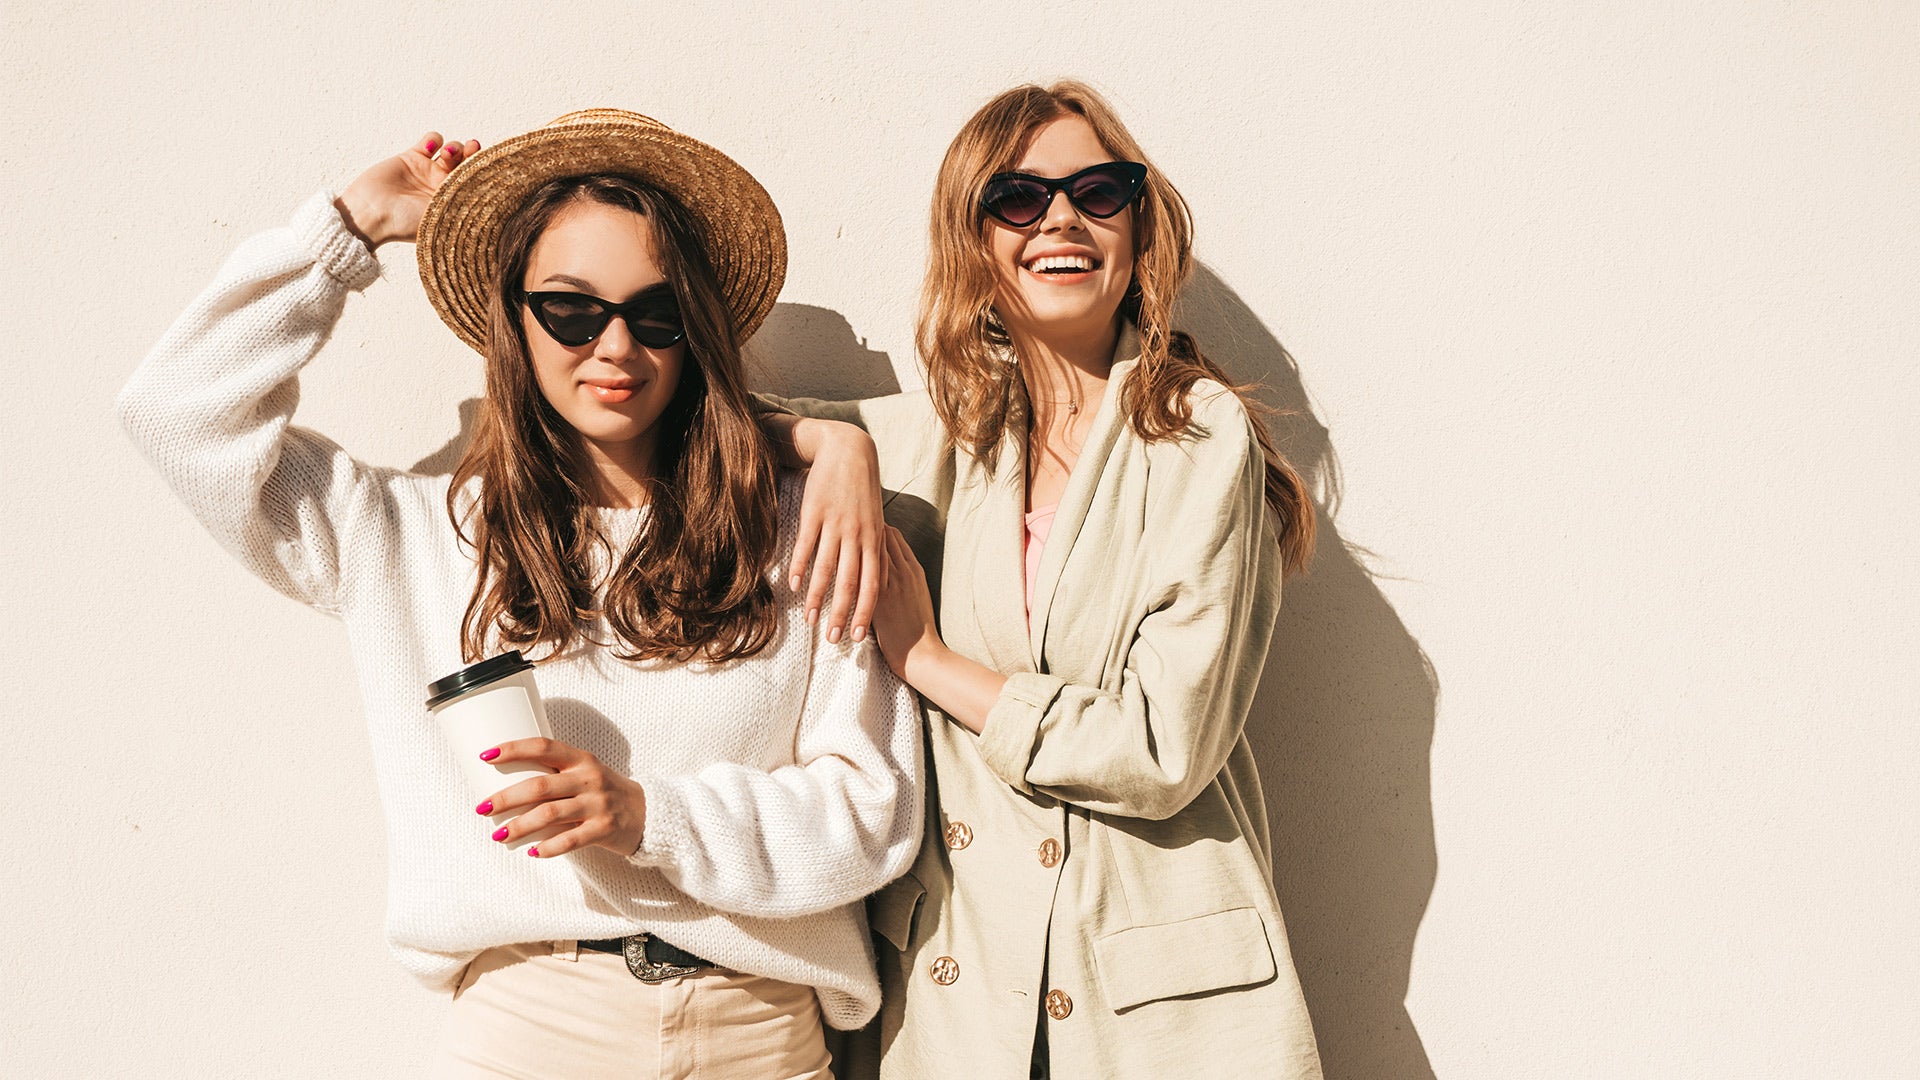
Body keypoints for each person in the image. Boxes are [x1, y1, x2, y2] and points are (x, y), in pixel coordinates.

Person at [117, 109, 921, 1079]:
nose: (615, 347)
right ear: (516, 319)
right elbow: (177, 415)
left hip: (763, 1040)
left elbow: (873, 810)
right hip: (535, 1035)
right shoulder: (407, 536)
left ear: (694, 332)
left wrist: (652, 817)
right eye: (572, 311)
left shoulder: (804, 530)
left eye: (656, 313)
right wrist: (345, 230)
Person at [770, 81, 1325, 1079]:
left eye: (1097, 192)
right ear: (973, 241)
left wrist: (927, 661)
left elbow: (1158, 749)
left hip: (1157, 1019)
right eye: (1018, 198)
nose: (1061, 219)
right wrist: (835, 448)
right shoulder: (945, 442)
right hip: (963, 1003)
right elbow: (689, 418)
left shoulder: (1198, 437)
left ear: (1138, 228)